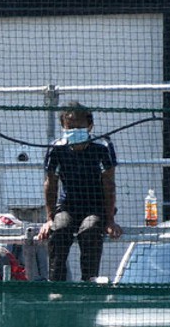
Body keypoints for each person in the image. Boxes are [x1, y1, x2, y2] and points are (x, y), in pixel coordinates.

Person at [38, 101, 122, 282]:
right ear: (63, 126)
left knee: (90, 230)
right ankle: (56, 285)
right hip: (68, 206)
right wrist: (49, 218)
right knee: (59, 229)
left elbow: (109, 184)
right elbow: (50, 183)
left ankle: (88, 283)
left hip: (95, 207)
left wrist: (110, 220)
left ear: (90, 126)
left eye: (79, 126)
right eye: (70, 127)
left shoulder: (102, 147)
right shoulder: (56, 148)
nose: (75, 130)